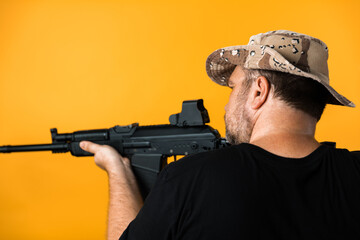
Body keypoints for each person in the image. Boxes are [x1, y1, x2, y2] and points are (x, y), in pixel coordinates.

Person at [80, 30, 360, 240]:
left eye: (233, 88)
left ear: (259, 91)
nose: (226, 106)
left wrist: (117, 171)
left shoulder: (188, 178)